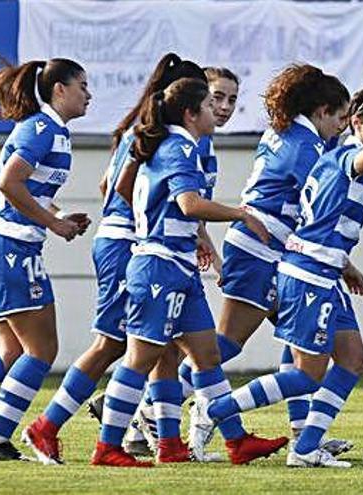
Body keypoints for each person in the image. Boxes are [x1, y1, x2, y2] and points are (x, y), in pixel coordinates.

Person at [195, 74, 363, 469]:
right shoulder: (351, 157)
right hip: (309, 276)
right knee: (305, 374)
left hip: (322, 273)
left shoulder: (326, 153)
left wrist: (344, 263)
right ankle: (216, 409)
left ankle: (306, 444)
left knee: (352, 358)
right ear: (355, 122)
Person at [19, 53, 206, 464]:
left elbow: (106, 182)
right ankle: (48, 426)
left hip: (122, 241)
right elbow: (121, 187)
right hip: (128, 245)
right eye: (210, 99)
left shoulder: (140, 127)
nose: (217, 107)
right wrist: (147, 224)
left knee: (161, 345)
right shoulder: (166, 135)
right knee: (114, 344)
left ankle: (169, 441)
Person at [91, 77, 286, 467]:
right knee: (141, 358)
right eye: (210, 105)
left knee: (207, 354)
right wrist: (241, 214)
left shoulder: (174, 145)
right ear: (190, 113)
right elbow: (189, 203)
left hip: (178, 266)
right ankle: (107, 447)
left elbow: (122, 187)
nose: (218, 110)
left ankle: (234, 441)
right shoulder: (180, 146)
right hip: (159, 266)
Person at [0, 58, 91, 461]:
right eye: (82, 85)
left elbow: (28, 189)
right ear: (58, 90)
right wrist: (52, 223)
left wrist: (57, 215)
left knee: (12, 356)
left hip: (5, 246)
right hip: (14, 248)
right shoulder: (41, 128)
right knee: (42, 351)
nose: (89, 93)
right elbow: (8, 183)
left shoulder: (51, 130)